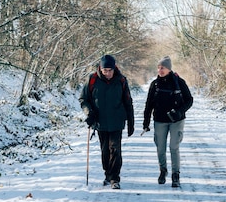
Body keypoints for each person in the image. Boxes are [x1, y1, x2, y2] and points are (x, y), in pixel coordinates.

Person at [80, 54, 135, 189]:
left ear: (114, 68)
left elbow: (128, 101)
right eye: (105, 71)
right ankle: (108, 174)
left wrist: (131, 121)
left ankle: (115, 178)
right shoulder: (92, 80)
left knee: (115, 149)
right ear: (101, 68)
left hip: (117, 121)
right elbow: (83, 99)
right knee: (105, 151)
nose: (108, 73)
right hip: (100, 122)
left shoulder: (121, 80)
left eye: (110, 70)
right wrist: (89, 113)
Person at [142, 56, 193, 187]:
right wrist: (146, 122)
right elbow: (149, 104)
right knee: (160, 148)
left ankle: (175, 174)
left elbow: (189, 100)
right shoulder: (155, 84)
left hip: (176, 120)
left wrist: (180, 111)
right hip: (159, 120)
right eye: (158, 68)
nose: (160, 70)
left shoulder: (179, 82)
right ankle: (163, 170)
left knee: (174, 147)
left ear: (169, 69)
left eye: (162, 68)